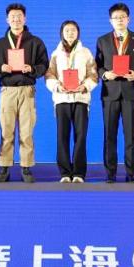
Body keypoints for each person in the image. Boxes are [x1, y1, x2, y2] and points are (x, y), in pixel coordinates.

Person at [0, 3, 48, 183]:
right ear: (7, 20)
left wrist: (32, 69)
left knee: (26, 131)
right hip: (7, 91)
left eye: (19, 16)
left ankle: (26, 167)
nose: (16, 19)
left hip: (27, 90)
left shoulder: (36, 42)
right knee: (6, 131)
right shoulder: (0, 44)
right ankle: (4, 168)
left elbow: (44, 65)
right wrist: (1, 69)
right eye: (13, 16)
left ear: (25, 18)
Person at [94, 2, 134, 183]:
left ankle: (131, 173)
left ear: (128, 19)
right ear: (110, 20)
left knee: (131, 136)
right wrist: (104, 74)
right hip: (110, 93)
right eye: (116, 18)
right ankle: (110, 173)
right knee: (109, 135)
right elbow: (97, 65)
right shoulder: (102, 40)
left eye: (122, 17)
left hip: (131, 92)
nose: (119, 20)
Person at [44, 20, 98, 183]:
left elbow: (93, 74)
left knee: (80, 136)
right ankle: (65, 173)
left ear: (78, 33)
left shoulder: (86, 52)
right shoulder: (55, 54)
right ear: (62, 33)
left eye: (73, 30)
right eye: (67, 30)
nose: (70, 33)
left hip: (81, 99)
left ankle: (79, 173)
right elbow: (49, 74)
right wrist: (57, 86)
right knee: (62, 136)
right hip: (62, 100)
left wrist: (84, 86)